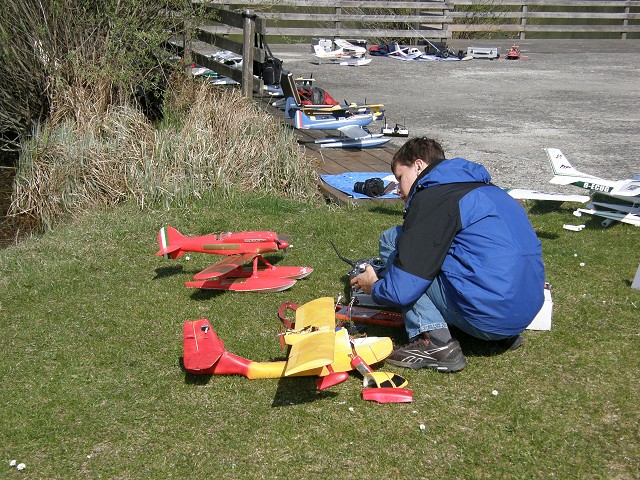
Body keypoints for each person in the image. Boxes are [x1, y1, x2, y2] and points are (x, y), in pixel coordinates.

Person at [350, 137, 546, 372]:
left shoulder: (434, 197)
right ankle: (498, 334)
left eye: (400, 178)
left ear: (419, 166)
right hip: (521, 315)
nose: (400, 191)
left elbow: (402, 289)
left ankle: (436, 341)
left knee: (393, 240)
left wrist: (375, 286)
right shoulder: (491, 191)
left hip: (488, 316)